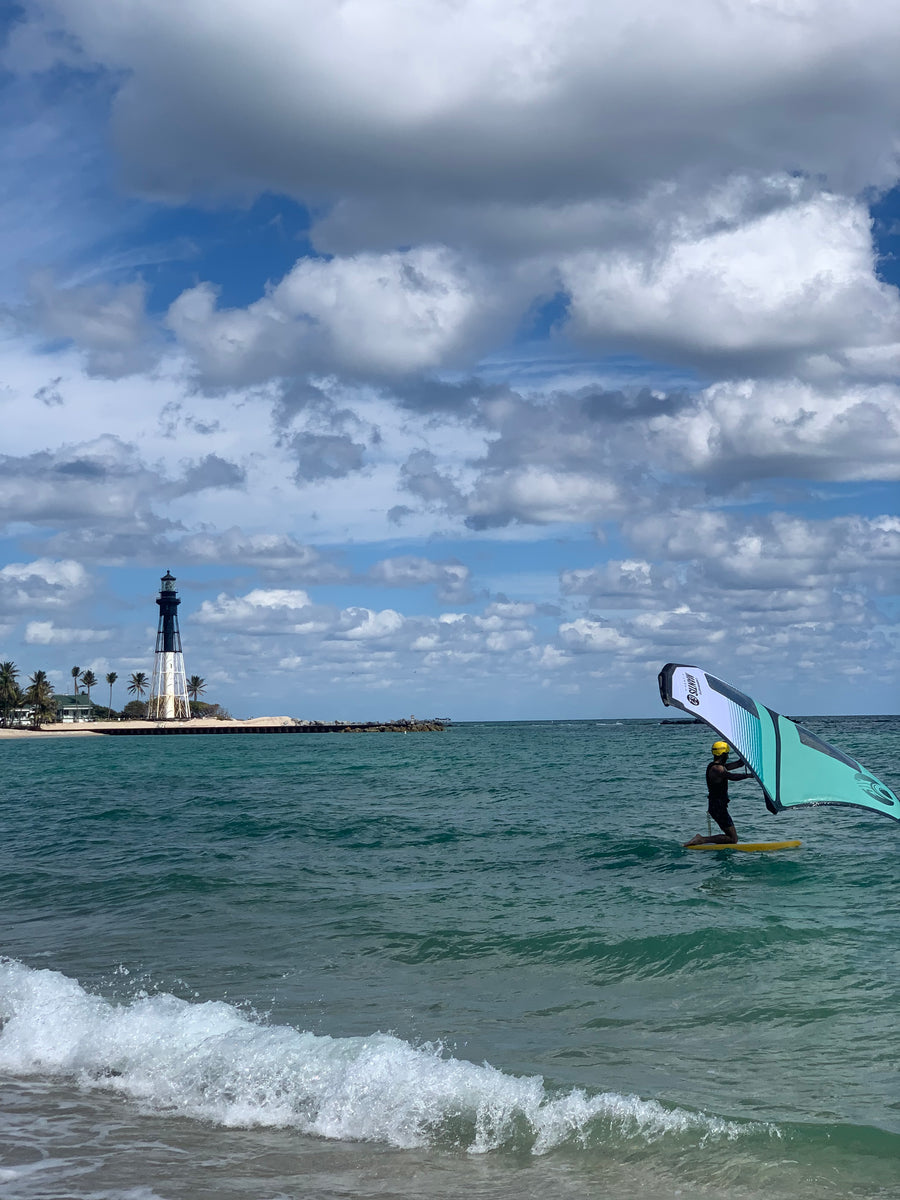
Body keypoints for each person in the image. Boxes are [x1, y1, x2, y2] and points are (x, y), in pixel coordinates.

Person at [684, 741, 754, 846]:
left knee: (731, 837)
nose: (728, 756)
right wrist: (748, 776)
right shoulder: (716, 769)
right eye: (727, 754)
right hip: (717, 807)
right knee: (732, 839)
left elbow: (739, 763)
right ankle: (701, 839)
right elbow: (731, 776)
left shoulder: (718, 766)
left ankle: (707, 842)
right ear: (723, 755)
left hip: (718, 806)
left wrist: (747, 753)